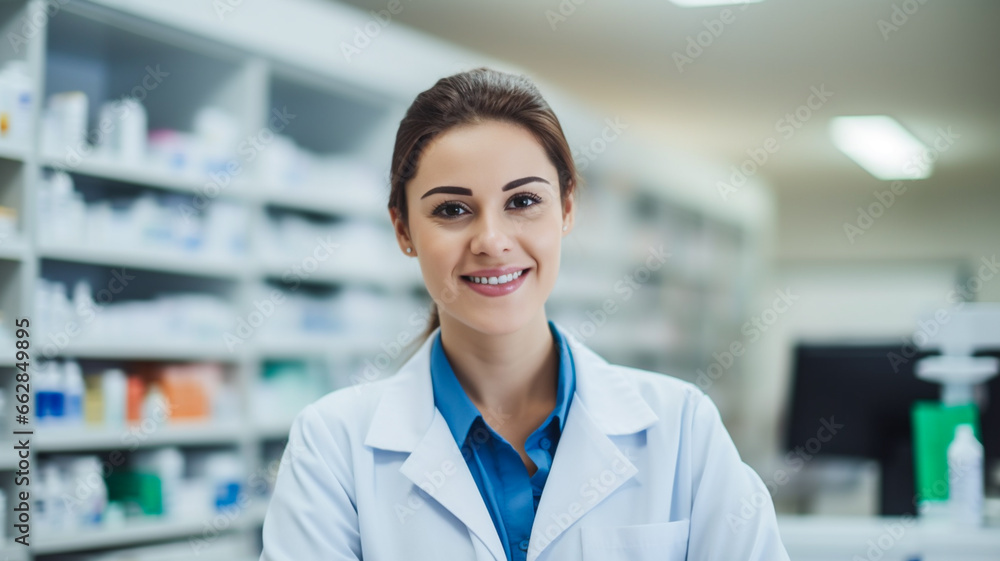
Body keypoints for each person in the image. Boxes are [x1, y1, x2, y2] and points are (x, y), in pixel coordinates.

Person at [259, 67, 789, 561]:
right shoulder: (334, 446)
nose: (491, 241)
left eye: (522, 202)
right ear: (403, 230)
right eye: (452, 210)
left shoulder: (681, 431)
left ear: (566, 208)